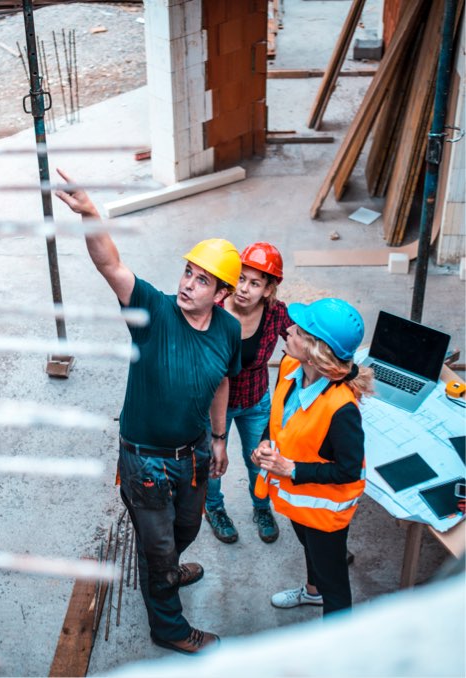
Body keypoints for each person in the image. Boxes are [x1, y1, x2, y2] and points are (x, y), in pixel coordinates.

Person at [55, 169, 242, 654]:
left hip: (195, 453)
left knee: (187, 528)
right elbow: (111, 266)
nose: (189, 285)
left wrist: (219, 439)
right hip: (146, 462)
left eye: (203, 281)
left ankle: (165, 571)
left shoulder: (227, 330)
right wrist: (92, 215)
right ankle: (170, 627)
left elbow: (223, 380)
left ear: (221, 295)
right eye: (188, 272)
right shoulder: (153, 312)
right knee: (157, 547)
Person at [251, 298, 373, 615]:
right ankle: (311, 592)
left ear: (317, 350)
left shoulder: (342, 409)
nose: (288, 330)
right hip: (299, 500)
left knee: (335, 586)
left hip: (324, 513)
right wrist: (266, 443)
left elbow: (349, 471)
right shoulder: (291, 367)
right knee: (309, 549)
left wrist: (291, 469)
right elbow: (280, 417)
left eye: (300, 330)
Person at [205, 242, 290, 545]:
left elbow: (301, 340)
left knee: (259, 460)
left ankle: (262, 508)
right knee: (213, 462)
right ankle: (214, 508)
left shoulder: (276, 314)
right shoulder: (214, 309)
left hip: (255, 401)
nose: (243, 288)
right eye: (241, 278)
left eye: (255, 283)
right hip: (216, 405)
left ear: (268, 290)